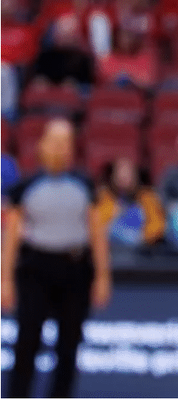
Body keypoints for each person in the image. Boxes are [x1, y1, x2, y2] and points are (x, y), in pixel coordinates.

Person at [1, 118, 111, 398]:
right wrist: (5, 279)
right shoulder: (26, 186)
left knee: (69, 346)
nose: (61, 149)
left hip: (75, 270)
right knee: (27, 344)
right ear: (42, 145)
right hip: (35, 269)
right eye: (56, 142)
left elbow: (97, 234)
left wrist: (102, 276)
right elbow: (11, 238)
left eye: (67, 144)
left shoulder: (85, 185)